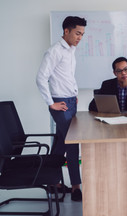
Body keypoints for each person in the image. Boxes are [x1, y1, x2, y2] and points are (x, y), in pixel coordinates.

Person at [36, 16, 87, 202]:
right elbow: (41, 78)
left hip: (70, 101)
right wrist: (51, 103)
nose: (80, 37)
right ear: (66, 31)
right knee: (72, 143)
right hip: (60, 103)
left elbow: (65, 76)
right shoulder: (54, 51)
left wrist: (73, 93)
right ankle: (75, 187)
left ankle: (52, 182)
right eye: (77, 33)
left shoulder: (71, 50)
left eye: (82, 34)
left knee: (60, 142)